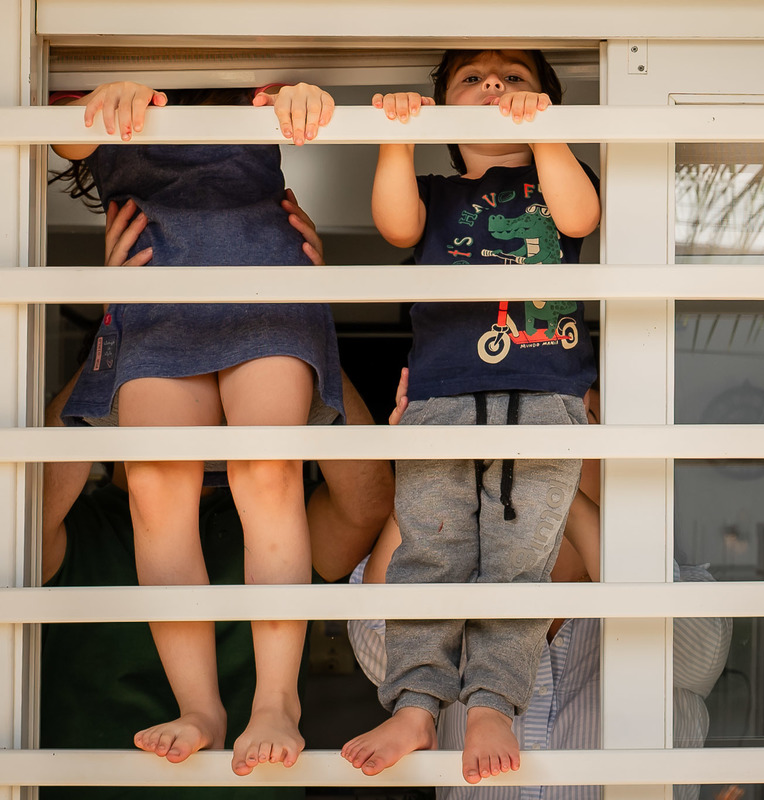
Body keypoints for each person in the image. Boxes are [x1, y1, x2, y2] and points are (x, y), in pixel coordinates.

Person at [38, 201, 394, 799]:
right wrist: (119, 324)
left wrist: (301, 324)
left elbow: (369, 501)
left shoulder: (277, 517)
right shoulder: (81, 533)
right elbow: (23, 508)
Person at [49, 83, 342, 775]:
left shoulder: (246, 56)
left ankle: (276, 702)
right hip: (151, 283)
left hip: (265, 272)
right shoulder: (104, 60)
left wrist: (304, 94)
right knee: (155, 488)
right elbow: (64, 134)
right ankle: (200, 708)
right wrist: (109, 93)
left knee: (266, 472)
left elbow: (304, 96)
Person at [340, 49, 601, 785]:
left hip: (544, 395)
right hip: (441, 396)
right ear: (447, 117)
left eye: (515, 78)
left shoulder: (559, 181)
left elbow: (581, 215)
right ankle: (416, 704)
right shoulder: (434, 194)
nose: (494, 85)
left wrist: (546, 134)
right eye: (472, 79)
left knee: (519, 560)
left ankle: (492, 703)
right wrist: (398, 138)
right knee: (431, 549)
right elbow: (395, 226)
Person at [347, 388, 733, 800]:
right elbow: (376, 642)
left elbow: (688, 648)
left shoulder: (686, 591)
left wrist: (551, 487)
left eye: (572, 420)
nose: (531, 442)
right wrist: (428, 478)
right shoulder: (459, 584)